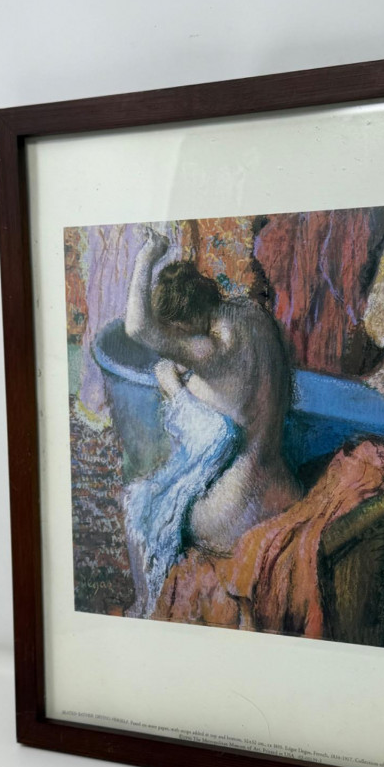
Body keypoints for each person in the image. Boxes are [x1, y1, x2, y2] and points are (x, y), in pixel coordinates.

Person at [122, 226, 301, 614]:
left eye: (177, 335)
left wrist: (148, 255)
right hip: (283, 487)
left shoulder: (213, 349)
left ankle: (144, 605)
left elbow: (136, 327)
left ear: (183, 327)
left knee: (143, 504)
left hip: (233, 514)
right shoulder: (254, 316)